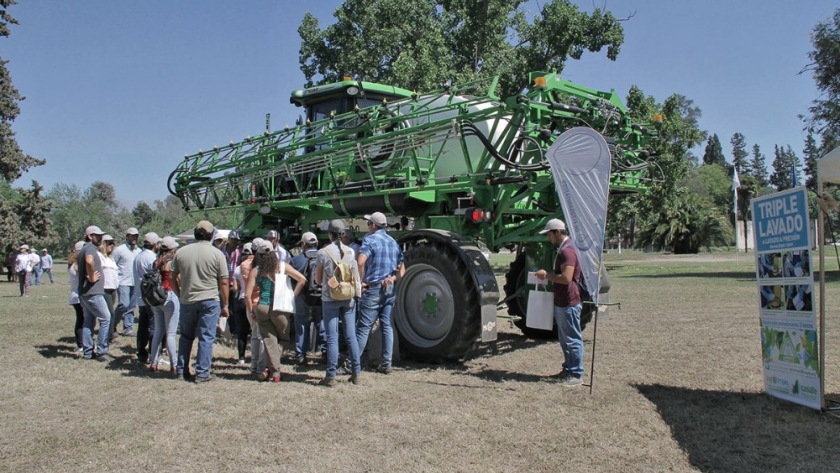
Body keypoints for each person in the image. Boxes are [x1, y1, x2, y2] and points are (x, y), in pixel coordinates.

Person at [170, 220, 229, 383]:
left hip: (187, 299)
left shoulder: (181, 252)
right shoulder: (217, 254)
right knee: (206, 337)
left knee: (186, 336)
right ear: (211, 235)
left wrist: (179, 293)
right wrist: (225, 304)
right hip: (209, 300)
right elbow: (224, 281)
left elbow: (171, 276)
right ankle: (202, 372)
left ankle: (182, 370)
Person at [244, 238, 306, 383]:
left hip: (262, 307)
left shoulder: (256, 270)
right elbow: (302, 279)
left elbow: (247, 295)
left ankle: (272, 372)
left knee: (269, 340)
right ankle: (273, 371)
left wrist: (251, 311)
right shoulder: (282, 266)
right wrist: (292, 296)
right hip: (280, 308)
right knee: (283, 339)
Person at [535, 218, 584, 386]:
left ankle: (576, 374)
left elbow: (566, 278)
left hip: (568, 302)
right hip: (564, 301)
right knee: (566, 339)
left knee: (572, 339)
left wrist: (546, 276)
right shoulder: (566, 248)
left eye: (549, 234)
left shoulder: (567, 251)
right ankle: (569, 369)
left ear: (557, 232)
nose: (549, 238)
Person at [314, 219, 363, 386]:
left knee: (332, 337)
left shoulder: (323, 253)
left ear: (329, 233)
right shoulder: (350, 252)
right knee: (351, 336)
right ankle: (356, 373)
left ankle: (331, 376)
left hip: (330, 298)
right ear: (343, 234)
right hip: (348, 297)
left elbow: (318, 279)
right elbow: (355, 276)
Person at [355, 212, 405, 374]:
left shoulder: (370, 240)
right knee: (387, 326)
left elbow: (360, 262)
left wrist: (360, 281)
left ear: (374, 226)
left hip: (374, 287)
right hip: (389, 288)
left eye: (369, 223)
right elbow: (402, 270)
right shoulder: (393, 242)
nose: (368, 226)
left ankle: (352, 364)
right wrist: (392, 278)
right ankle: (387, 364)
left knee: (363, 327)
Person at [77, 225, 114, 362]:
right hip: (93, 292)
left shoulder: (83, 249)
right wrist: (92, 276)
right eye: (97, 236)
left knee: (88, 322)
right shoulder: (90, 249)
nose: (100, 238)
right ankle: (102, 351)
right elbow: (89, 260)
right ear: (89, 236)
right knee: (106, 318)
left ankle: (88, 352)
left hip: (85, 292)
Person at [290, 231, 325, 365]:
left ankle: (301, 355)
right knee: (321, 323)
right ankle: (326, 353)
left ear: (303, 244)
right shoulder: (325, 257)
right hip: (321, 296)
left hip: (303, 296)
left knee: (302, 324)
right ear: (316, 243)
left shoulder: (296, 260)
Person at [149, 236, 181, 375]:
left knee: (158, 331)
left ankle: (153, 362)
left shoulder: (156, 261)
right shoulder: (171, 262)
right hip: (169, 295)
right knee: (171, 333)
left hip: (156, 298)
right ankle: (174, 364)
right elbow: (176, 279)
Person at [133, 232, 161, 365]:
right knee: (153, 325)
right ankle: (154, 354)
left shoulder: (138, 256)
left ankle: (141, 354)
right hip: (150, 297)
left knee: (143, 326)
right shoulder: (152, 259)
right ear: (155, 244)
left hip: (140, 296)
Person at [113, 227, 141, 336]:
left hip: (135, 282)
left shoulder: (139, 251)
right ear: (127, 236)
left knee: (132, 307)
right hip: (123, 281)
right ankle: (113, 323)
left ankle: (128, 328)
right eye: (132, 236)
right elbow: (113, 264)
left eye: (136, 236)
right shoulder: (119, 250)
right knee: (124, 304)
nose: (134, 238)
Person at [98, 235, 119, 343]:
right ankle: (109, 335)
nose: (112, 246)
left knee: (111, 312)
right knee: (109, 313)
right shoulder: (100, 257)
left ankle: (110, 333)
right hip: (104, 287)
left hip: (112, 287)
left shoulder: (111, 258)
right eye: (109, 243)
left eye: (113, 244)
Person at [222, 230, 242, 340]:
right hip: (224, 283)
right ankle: (226, 330)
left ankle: (235, 331)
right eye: (233, 239)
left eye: (237, 240)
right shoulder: (221, 251)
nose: (235, 242)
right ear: (229, 239)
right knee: (225, 307)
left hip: (235, 284)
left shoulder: (240, 251)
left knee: (235, 309)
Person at [68, 241, 85, 353]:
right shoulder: (78, 263)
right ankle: (81, 344)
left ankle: (81, 344)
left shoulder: (71, 263)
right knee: (82, 320)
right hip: (79, 295)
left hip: (75, 295)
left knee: (81, 319)